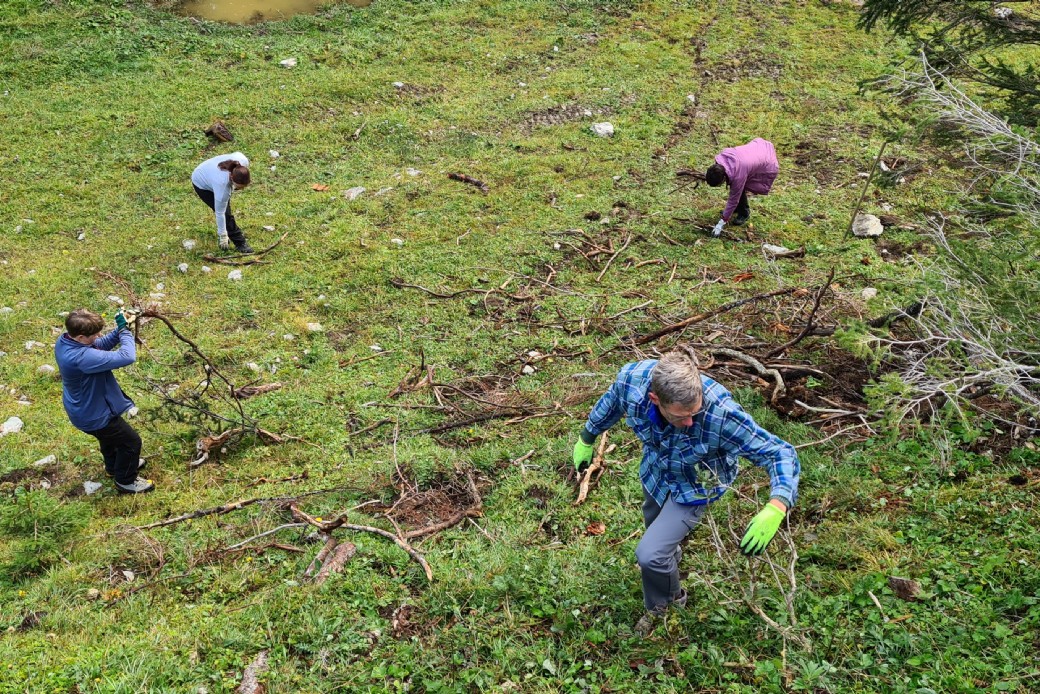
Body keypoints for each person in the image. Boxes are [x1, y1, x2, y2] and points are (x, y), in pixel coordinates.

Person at [572, 345, 799, 634]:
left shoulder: (721, 413)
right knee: (654, 525)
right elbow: (612, 401)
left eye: (695, 412)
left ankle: (666, 605)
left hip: (696, 485)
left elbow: (779, 452)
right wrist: (587, 437)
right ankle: (668, 560)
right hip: (655, 472)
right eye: (681, 416)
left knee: (650, 554)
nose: (690, 421)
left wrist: (777, 505)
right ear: (655, 399)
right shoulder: (632, 381)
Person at [54, 309, 154, 494]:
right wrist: (124, 333)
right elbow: (127, 357)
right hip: (95, 415)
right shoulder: (81, 358)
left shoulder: (66, 341)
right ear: (82, 337)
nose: (99, 336)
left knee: (109, 439)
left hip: (83, 410)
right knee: (131, 442)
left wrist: (120, 328)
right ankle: (125, 480)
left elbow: (98, 345)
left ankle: (115, 467)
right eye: (94, 334)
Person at [705, 137, 779, 237]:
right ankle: (736, 209)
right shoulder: (724, 157)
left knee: (739, 187)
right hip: (757, 148)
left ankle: (744, 213)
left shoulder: (738, 175)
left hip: (767, 160)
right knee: (737, 185)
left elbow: (733, 199)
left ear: (723, 179)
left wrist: (721, 223)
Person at [191, 152, 254, 253]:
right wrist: (223, 235)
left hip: (210, 170)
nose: (242, 189)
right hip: (201, 181)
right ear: (231, 178)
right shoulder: (222, 185)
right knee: (226, 214)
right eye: (239, 187)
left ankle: (233, 235)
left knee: (225, 206)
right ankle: (240, 243)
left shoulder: (242, 161)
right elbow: (220, 213)